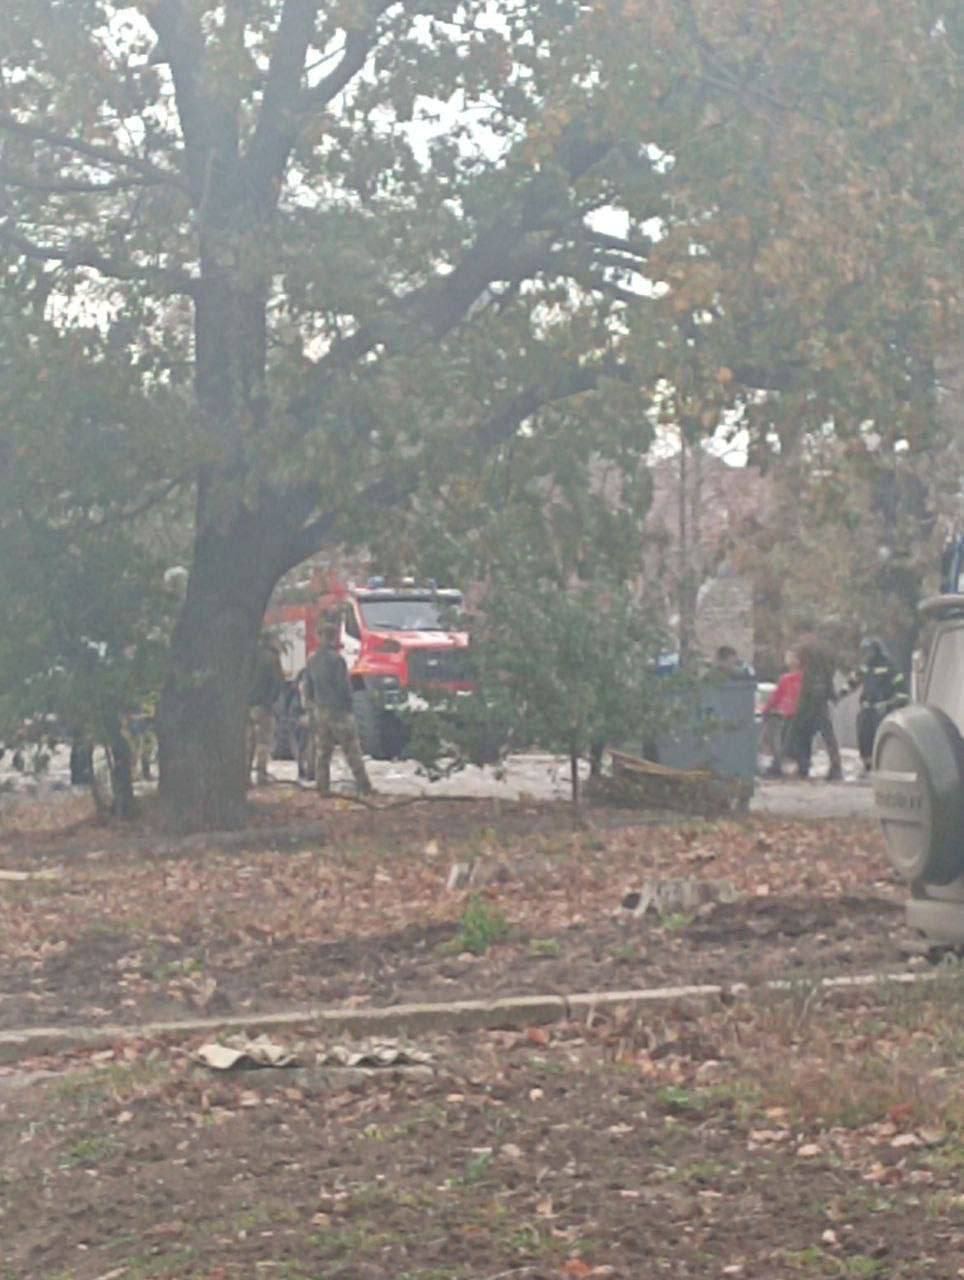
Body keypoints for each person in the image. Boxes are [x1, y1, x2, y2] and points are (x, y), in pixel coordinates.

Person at [303, 623, 373, 797]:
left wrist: (311, 707)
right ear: (334, 637)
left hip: (321, 711)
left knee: (323, 752)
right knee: (351, 749)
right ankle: (364, 786)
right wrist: (349, 708)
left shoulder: (312, 660)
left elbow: (307, 688)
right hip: (339, 712)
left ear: (319, 637)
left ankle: (322, 787)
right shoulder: (338, 660)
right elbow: (344, 688)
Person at [849, 638, 909, 772]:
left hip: (883, 710)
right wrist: (838, 694)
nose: (866, 654)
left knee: (880, 737)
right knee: (863, 734)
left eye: (868, 651)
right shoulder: (865, 667)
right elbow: (852, 682)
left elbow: (903, 694)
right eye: (864, 651)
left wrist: (888, 704)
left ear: (876, 650)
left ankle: (882, 764)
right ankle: (867, 764)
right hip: (867, 708)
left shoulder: (890, 667)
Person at [793, 633, 844, 781]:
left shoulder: (810, 669)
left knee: (803, 735)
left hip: (810, 704)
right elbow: (828, 682)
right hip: (820, 703)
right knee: (827, 736)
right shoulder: (823, 665)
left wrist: (801, 703)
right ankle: (835, 767)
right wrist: (831, 695)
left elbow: (807, 688)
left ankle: (804, 766)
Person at [760, 649, 803, 778]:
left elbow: (777, 697)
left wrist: (767, 710)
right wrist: (767, 709)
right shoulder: (788, 678)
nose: (788, 660)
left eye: (791, 657)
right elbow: (776, 696)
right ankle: (781, 764)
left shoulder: (792, 678)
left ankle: (777, 765)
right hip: (787, 713)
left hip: (790, 713)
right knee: (784, 741)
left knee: (782, 741)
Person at [248, 632, 285, 785]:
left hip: (248, 706)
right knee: (263, 742)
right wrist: (272, 701)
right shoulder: (272, 658)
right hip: (264, 706)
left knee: (248, 742)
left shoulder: (250, 656)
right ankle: (261, 776)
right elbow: (278, 682)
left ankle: (245, 777)